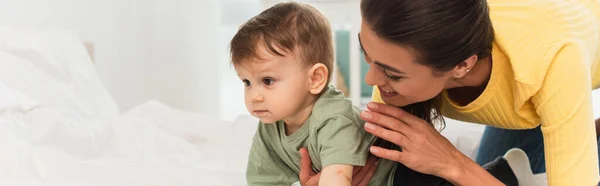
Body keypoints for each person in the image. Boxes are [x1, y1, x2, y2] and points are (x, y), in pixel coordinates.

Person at [298, 0, 600, 186]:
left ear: (461, 67)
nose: (371, 79)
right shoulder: (435, 26)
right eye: (367, 55)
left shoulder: (556, 61)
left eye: (392, 74)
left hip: (572, 49)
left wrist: (453, 162)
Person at [230, 2, 397, 185]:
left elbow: (336, 179)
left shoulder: (334, 118)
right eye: (247, 82)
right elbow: (262, 180)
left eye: (267, 81)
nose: (255, 96)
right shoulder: (271, 124)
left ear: (315, 79)